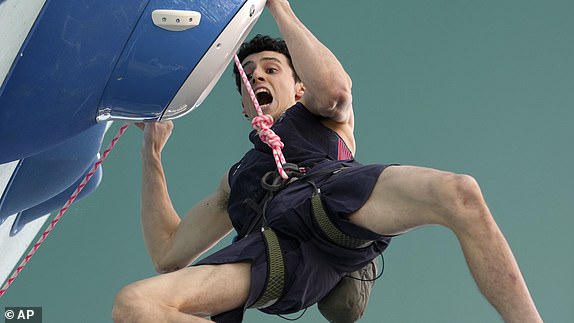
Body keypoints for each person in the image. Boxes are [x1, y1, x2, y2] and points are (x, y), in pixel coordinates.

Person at [112, 1, 543, 322]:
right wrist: (151, 153)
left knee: (459, 192)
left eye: (271, 69)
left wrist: (276, 4)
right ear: (245, 105)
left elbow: (335, 89)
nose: (257, 76)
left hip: (335, 203)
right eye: (250, 73)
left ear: (299, 87)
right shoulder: (237, 179)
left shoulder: (320, 115)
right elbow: (168, 253)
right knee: (136, 305)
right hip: (276, 255)